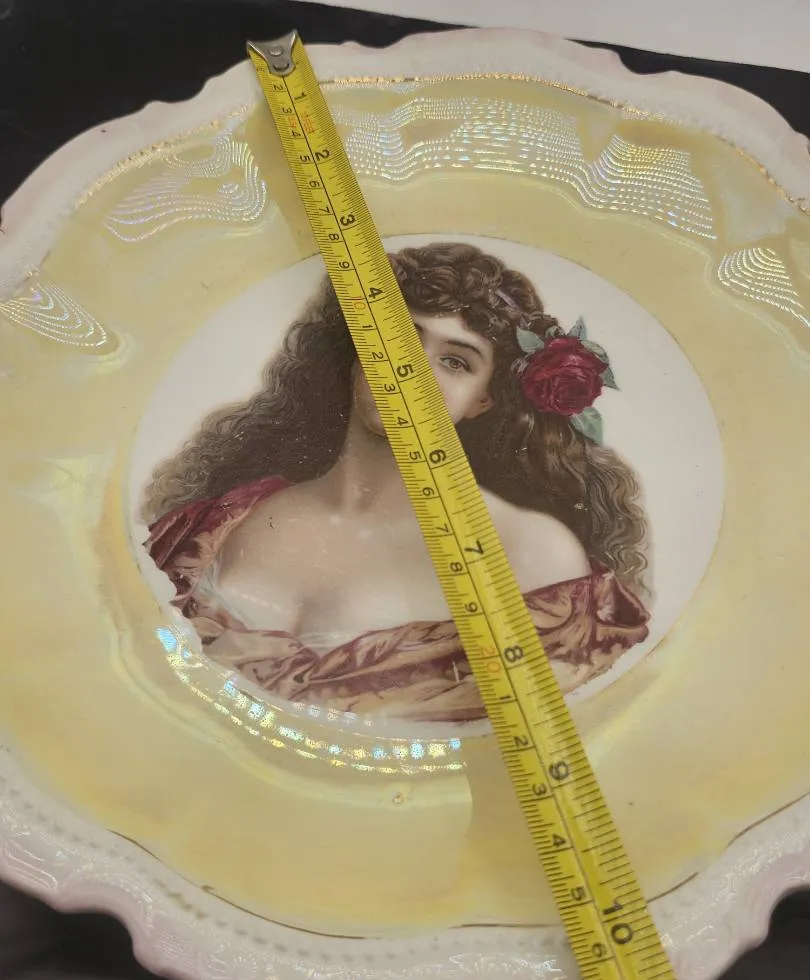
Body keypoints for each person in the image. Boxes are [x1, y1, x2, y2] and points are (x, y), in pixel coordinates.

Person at [143, 242, 650, 724]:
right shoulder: (227, 520)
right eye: (401, 339)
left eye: (455, 361)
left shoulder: (534, 553)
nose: (412, 373)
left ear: (483, 400)